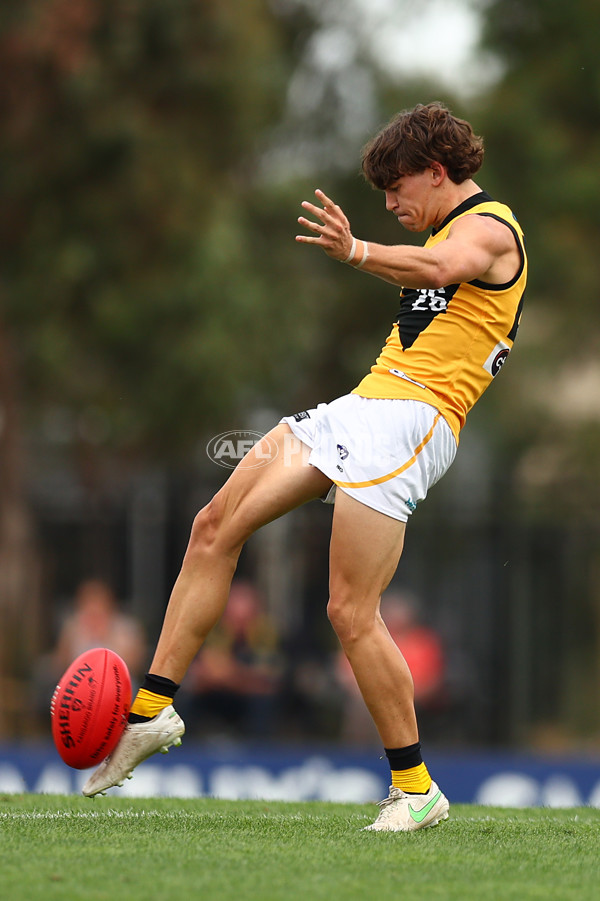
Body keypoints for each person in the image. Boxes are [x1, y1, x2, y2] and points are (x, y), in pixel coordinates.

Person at [81, 102, 527, 832]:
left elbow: (445, 266)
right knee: (212, 526)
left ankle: (416, 788)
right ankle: (151, 711)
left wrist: (357, 251)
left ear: (439, 172)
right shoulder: (439, 232)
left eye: (398, 186)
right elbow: (427, 271)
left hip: (413, 422)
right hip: (362, 406)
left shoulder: (489, 227)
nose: (389, 203)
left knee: (350, 612)